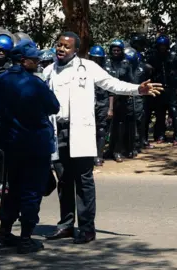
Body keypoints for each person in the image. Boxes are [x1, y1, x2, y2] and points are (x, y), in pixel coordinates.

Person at [43, 32, 162, 244]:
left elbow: (112, 84)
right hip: (57, 131)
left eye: (66, 46)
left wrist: (138, 89)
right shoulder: (48, 71)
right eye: (59, 45)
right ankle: (66, 225)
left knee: (84, 182)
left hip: (79, 131)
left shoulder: (88, 68)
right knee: (64, 181)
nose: (61, 49)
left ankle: (87, 229)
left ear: (76, 50)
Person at [0, 41, 60, 254]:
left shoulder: (1, 79)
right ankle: (25, 239)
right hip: (34, 145)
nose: (39, 61)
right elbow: (54, 106)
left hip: (12, 144)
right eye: (34, 59)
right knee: (31, 192)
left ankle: (4, 234)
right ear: (23, 61)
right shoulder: (34, 83)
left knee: (12, 189)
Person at [88, 45, 112, 166]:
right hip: (89, 105)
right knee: (89, 130)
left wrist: (110, 109)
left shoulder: (105, 71)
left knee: (101, 130)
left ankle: (99, 155)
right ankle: (89, 156)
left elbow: (111, 91)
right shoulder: (84, 70)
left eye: (98, 59)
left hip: (103, 104)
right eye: (94, 58)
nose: (96, 61)